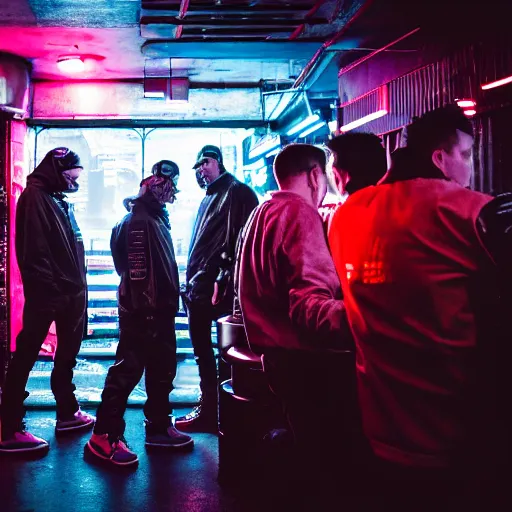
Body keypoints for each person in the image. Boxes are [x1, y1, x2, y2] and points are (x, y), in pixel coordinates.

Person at [328, 105, 506, 507]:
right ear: (439, 158)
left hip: (379, 426)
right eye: (466, 154)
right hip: (458, 431)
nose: (470, 166)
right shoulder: (469, 211)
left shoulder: (345, 215)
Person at [238, 144, 355, 489]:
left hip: (276, 359)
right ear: (316, 175)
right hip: (305, 362)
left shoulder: (262, 212)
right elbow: (309, 307)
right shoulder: (301, 215)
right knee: (323, 467)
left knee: (305, 452)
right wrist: (369, 319)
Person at [86, 162, 192, 467]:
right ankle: (103, 435)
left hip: (155, 310)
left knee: (161, 371)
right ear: (155, 188)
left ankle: (157, 426)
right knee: (126, 373)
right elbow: (136, 272)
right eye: (166, 187)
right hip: (147, 313)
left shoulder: (150, 219)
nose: (170, 193)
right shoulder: (140, 221)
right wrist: (148, 311)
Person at [0, 147, 94, 454]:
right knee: (26, 356)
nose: (74, 180)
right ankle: (10, 428)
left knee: (64, 357)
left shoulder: (55, 199)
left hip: (65, 295)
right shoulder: (36, 198)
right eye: (71, 174)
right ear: (57, 169)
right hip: (51, 295)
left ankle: (67, 411)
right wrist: (53, 295)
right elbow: (36, 253)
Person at [175, 145, 258, 432]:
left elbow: (240, 241)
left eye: (205, 163)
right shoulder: (211, 196)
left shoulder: (236, 192)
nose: (201, 170)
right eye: (197, 166)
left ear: (218, 162)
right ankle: (212, 408)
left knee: (223, 353)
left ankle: (216, 411)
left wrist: (222, 278)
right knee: (204, 352)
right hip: (201, 287)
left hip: (216, 290)